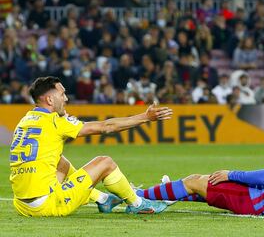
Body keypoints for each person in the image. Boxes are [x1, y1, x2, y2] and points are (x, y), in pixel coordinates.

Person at [9, 76, 173, 217]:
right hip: (47, 205)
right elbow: (106, 126)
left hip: (22, 205)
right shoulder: (56, 122)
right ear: (50, 100)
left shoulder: (25, 121)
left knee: (59, 161)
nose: (66, 98)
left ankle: (102, 199)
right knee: (105, 162)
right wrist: (145, 117)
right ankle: (138, 204)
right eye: (62, 94)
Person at [135, 115, 264, 215]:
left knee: (193, 181)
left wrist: (231, 173)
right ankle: (167, 195)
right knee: (204, 185)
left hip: (255, 201)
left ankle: (138, 196)